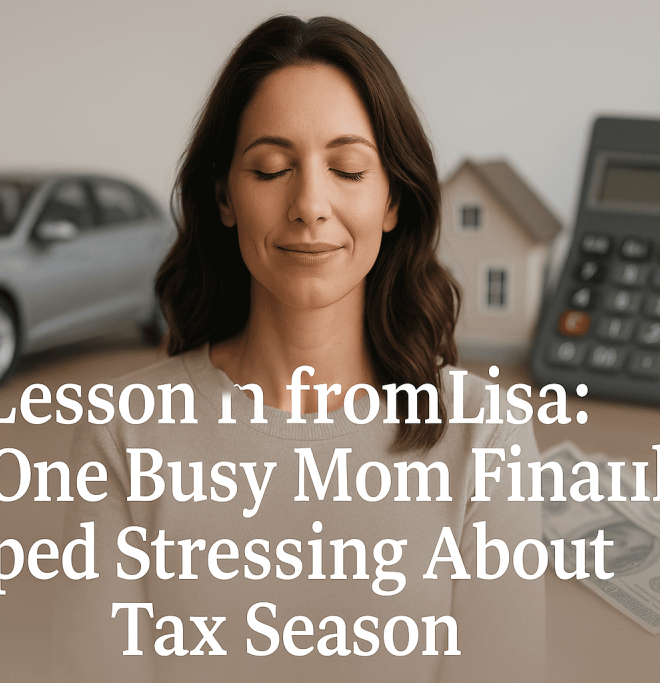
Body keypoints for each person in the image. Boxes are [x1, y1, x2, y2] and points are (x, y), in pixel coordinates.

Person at [53, 15, 544, 682]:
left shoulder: (485, 433)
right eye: (272, 167)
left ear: (393, 198)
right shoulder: (122, 428)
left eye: (346, 168)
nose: (310, 203)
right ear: (225, 196)